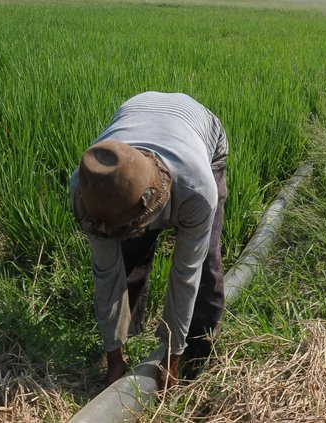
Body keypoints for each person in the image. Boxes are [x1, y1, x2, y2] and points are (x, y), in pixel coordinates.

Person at [70, 91, 228, 390]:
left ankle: (195, 355)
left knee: (205, 268)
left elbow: (185, 275)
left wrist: (171, 359)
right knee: (128, 258)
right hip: (137, 114)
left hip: (198, 131)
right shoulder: (89, 188)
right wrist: (113, 359)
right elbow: (106, 275)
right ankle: (126, 344)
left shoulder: (196, 190)